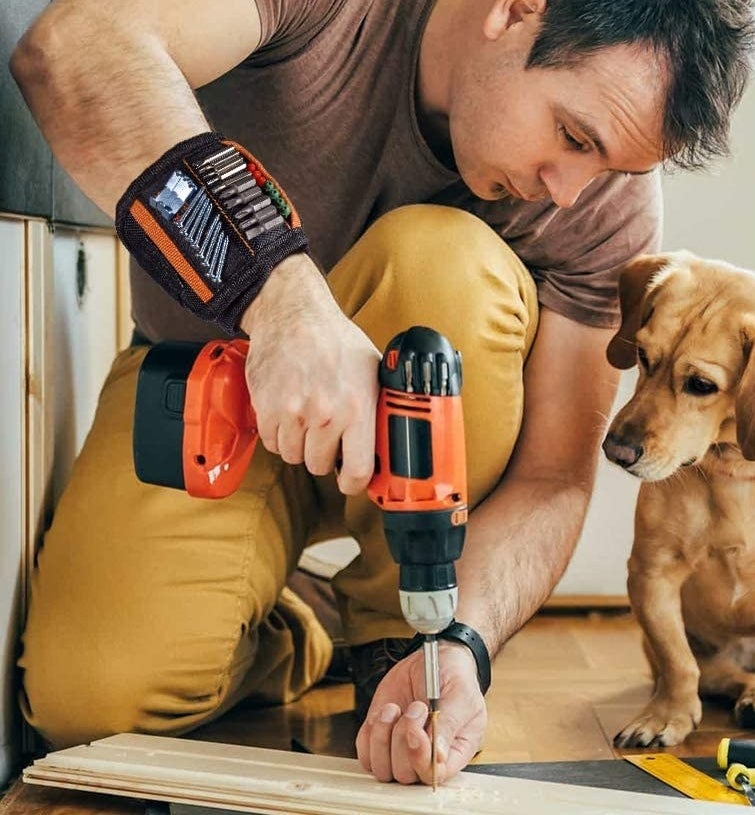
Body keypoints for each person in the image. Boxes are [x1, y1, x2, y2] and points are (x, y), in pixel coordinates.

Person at [10, 0, 753, 787]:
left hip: (418, 478)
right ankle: (307, 618)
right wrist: (280, 299)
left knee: (440, 260)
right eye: (572, 136)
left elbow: (551, 478)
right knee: (90, 699)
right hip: (209, 384)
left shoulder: (601, 207)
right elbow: (72, 49)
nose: (567, 192)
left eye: (607, 168)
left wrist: (461, 640)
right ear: (515, 9)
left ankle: (394, 632)